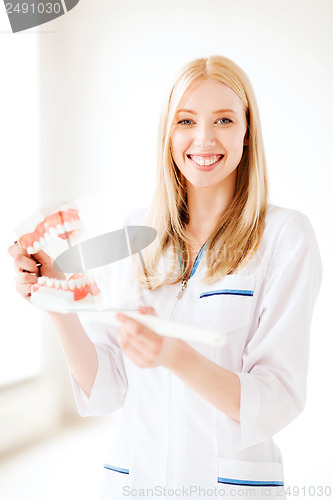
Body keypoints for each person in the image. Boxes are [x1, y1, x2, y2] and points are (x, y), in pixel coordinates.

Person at [8, 55, 322, 499]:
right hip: (135, 483)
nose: (204, 138)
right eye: (186, 120)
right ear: (168, 134)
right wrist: (57, 299)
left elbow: (276, 399)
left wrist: (176, 355)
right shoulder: (136, 234)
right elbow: (107, 388)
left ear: (248, 133)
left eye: (225, 120)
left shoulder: (285, 236)